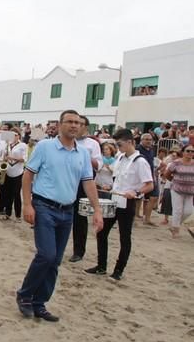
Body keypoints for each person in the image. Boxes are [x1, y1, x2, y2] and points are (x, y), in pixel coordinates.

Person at [16, 110, 103, 322]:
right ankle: (25, 295)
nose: (74, 125)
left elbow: (88, 182)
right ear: (61, 124)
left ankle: (40, 303)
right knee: (46, 254)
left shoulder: (82, 153)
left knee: (55, 260)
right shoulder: (45, 147)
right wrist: (27, 204)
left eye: (78, 123)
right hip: (44, 206)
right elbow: (28, 175)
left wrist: (97, 209)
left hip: (67, 210)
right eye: (70, 122)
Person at [85, 129, 153, 280]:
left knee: (124, 237)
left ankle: (118, 270)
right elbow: (117, 177)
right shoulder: (120, 157)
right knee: (102, 233)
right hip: (113, 201)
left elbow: (149, 185)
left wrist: (136, 192)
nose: (118, 147)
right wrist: (110, 187)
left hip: (127, 203)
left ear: (130, 142)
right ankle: (101, 266)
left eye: (120, 144)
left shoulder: (140, 161)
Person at [69, 115, 103, 263]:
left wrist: (84, 157)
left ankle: (78, 251)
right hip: (67, 181)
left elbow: (99, 164)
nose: (77, 126)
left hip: (82, 183)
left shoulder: (92, 144)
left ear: (86, 127)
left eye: (81, 124)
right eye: (75, 123)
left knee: (79, 218)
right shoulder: (68, 140)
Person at [164, 144, 194, 238]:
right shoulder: (176, 162)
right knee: (178, 210)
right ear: (183, 152)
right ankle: (175, 230)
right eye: (188, 151)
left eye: (192, 151)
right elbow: (167, 174)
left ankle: (174, 225)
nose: (190, 153)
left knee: (188, 211)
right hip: (177, 189)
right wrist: (173, 181)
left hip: (190, 191)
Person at [0, 128, 27, 221]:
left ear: (18, 135)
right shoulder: (8, 145)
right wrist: (4, 157)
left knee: (16, 194)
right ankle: (8, 213)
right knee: (7, 193)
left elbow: (24, 159)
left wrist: (11, 157)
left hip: (18, 173)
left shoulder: (22, 145)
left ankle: (18, 215)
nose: (13, 137)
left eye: (14, 135)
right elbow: (4, 157)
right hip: (8, 171)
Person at [137, 133, 160, 225]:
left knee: (154, 197)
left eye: (150, 140)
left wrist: (154, 174)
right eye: (146, 139)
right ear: (141, 140)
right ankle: (136, 216)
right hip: (140, 176)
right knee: (138, 197)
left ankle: (147, 218)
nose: (148, 141)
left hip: (150, 176)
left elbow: (151, 164)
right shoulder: (138, 149)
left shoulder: (151, 149)